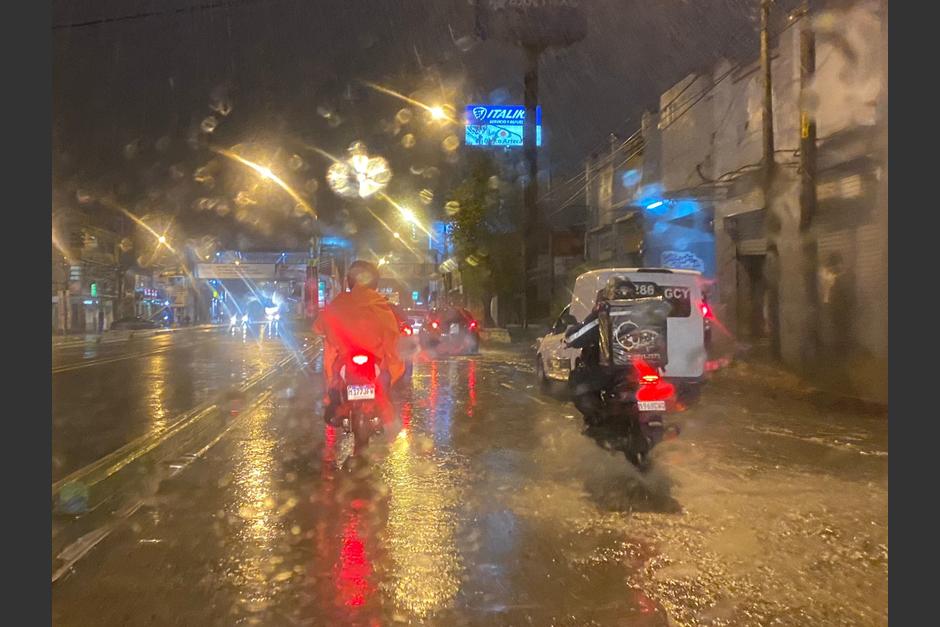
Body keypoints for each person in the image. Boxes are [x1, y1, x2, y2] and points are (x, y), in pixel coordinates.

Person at [313, 260, 405, 424]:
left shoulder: (340, 302)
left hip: (346, 360)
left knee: (333, 379)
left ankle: (335, 406)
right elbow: (392, 336)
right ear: (375, 282)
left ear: (349, 281)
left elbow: (320, 326)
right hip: (374, 360)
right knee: (387, 381)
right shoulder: (380, 304)